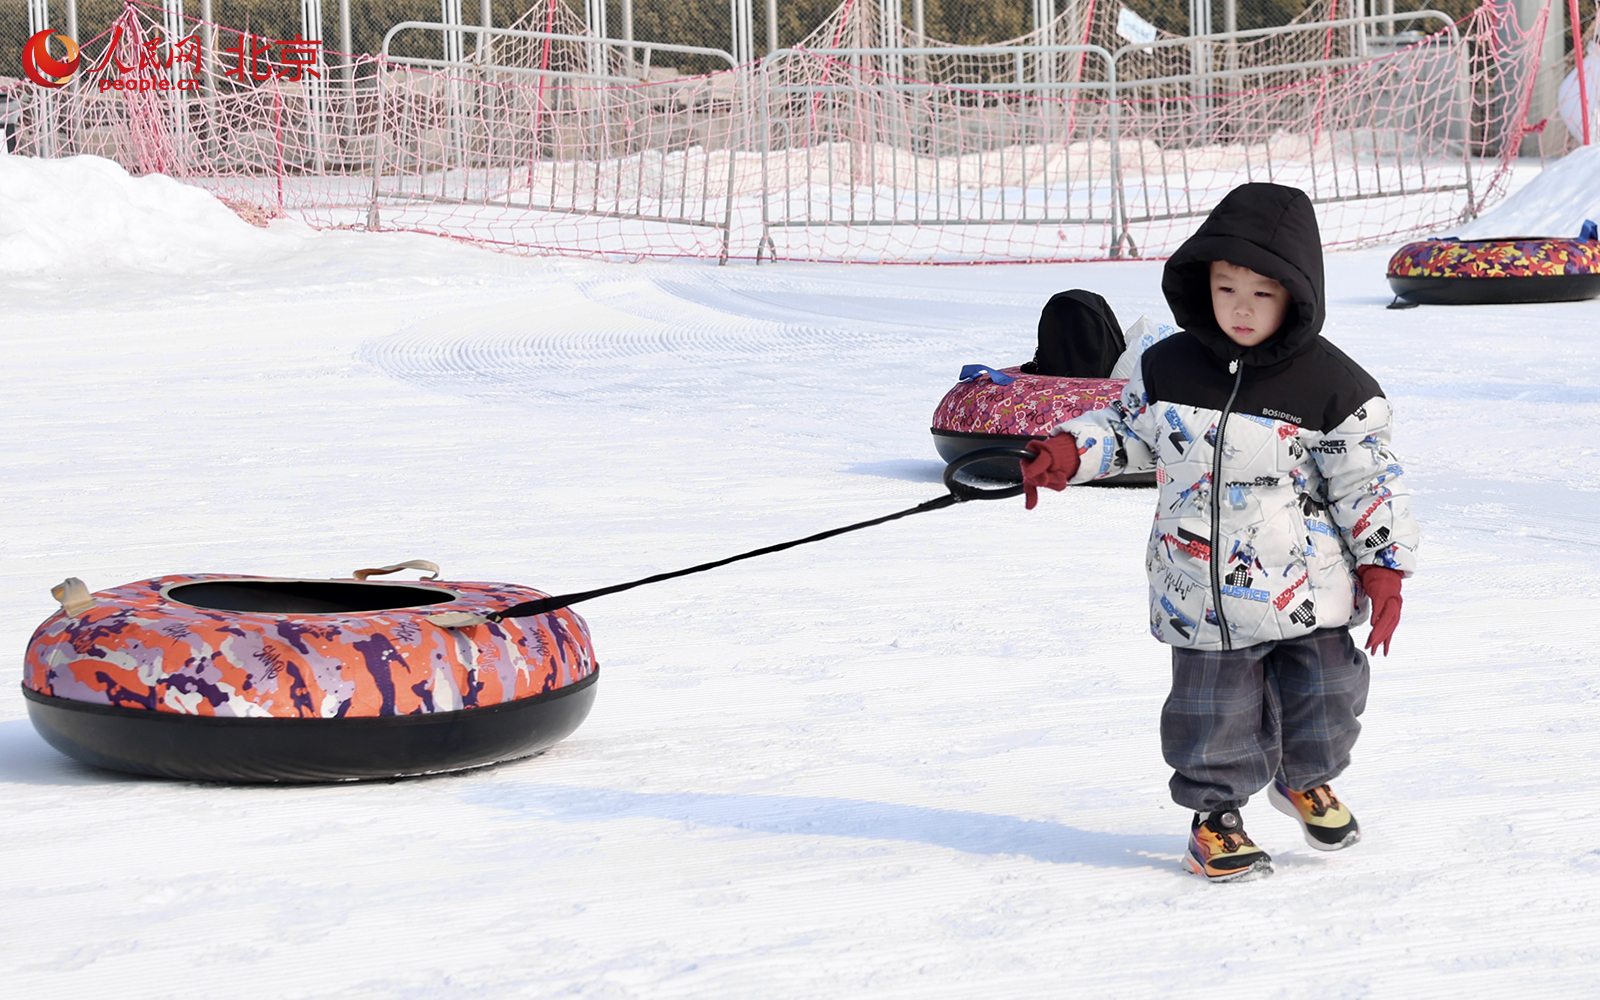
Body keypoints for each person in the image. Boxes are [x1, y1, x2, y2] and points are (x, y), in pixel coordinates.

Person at [1021, 183, 1418, 883]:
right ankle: (1216, 818)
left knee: (1329, 696)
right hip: (1200, 587)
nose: (1240, 308)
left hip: (1309, 587)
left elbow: (1368, 482)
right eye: (1226, 287)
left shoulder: (1335, 387)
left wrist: (1384, 567)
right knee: (1212, 713)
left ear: (1296, 296)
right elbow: (1128, 432)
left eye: (1262, 294)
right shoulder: (1166, 366)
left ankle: (1305, 779)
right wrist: (1068, 451)